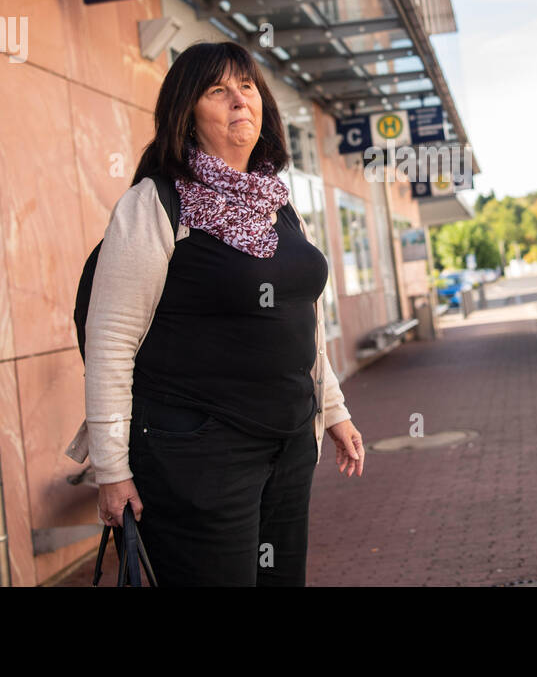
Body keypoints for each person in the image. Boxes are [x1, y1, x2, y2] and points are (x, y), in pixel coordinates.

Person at [74, 40, 364, 586]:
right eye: (218, 90)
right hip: (199, 457)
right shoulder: (156, 204)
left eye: (247, 87)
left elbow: (306, 321)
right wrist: (112, 470)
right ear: (186, 114)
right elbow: (109, 342)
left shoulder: (275, 204)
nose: (239, 100)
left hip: (289, 442)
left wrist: (333, 409)